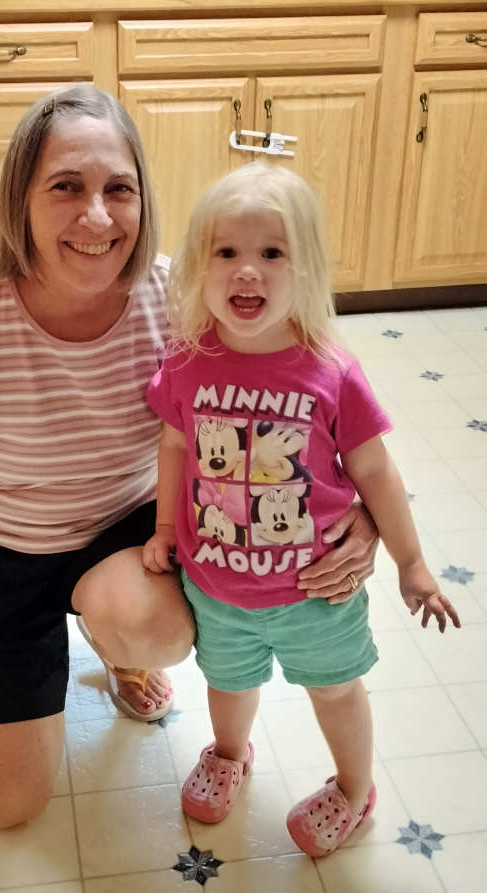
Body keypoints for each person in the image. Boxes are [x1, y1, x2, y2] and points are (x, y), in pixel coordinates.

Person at [0, 86, 378, 831]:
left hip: (123, 527)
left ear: (143, 199)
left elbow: (306, 395)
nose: (96, 217)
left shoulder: (180, 293)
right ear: (19, 201)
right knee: (9, 807)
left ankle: (115, 648)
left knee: (158, 629)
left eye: (118, 189)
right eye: (65, 187)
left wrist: (365, 517)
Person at [142, 161, 461, 857]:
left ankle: (354, 788)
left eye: (271, 253)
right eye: (226, 251)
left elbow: (374, 469)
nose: (246, 271)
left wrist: (410, 563)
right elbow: (174, 446)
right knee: (227, 686)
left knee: (336, 692)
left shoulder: (330, 371)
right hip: (217, 586)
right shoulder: (188, 361)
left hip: (317, 592)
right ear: (198, 264)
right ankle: (230, 754)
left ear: (306, 268)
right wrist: (165, 527)